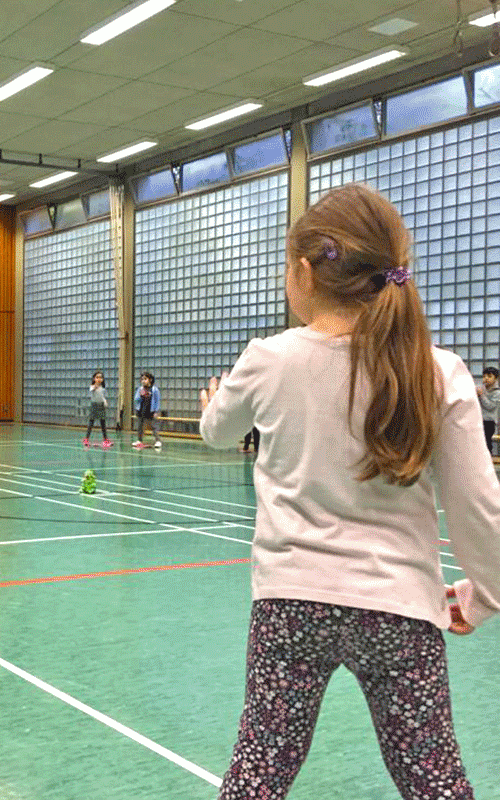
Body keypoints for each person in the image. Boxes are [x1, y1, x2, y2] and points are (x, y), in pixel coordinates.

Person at [199, 183, 500, 800]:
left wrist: (215, 405)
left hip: (289, 605)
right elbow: (477, 507)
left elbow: (215, 432)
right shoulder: (440, 370)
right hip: (400, 608)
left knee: (258, 772)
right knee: (434, 778)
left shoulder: (268, 358)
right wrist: (484, 595)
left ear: (304, 273)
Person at [82, 371, 111, 447]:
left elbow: (103, 396)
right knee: (91, 422)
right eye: (97, 377)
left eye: (100, 377)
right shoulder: (92, 386)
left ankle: (105, 440)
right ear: (94, 378)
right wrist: (95, 386)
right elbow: (91, 390)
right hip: (94, 405)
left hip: (101, 406)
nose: (99, 379)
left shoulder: (103, 388)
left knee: (103, 423)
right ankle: (86, 439)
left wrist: (105, 401)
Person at [134, 371, 161, 450]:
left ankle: (158, 441)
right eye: (142, 379)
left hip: (151, 410)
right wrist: (140, 395)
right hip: (141, 410)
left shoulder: (154, 389)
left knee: (154, 426)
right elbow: (136, 399)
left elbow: (157, 401)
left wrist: (156, 411)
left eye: (145, 379)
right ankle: (139, 440)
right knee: (140, 426)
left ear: (150, 380)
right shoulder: (140, 389)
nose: (143, 381)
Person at [477, 366, 498, 456]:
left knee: (486, 443)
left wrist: (481, 395)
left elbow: (490, 406)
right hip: (479, 420)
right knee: (478, 443)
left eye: (489, 376)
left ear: (496, 378)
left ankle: (488, 462)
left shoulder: (497, 392)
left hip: (489, 422)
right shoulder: (481, 389)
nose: (486, 379)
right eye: (484, 376)